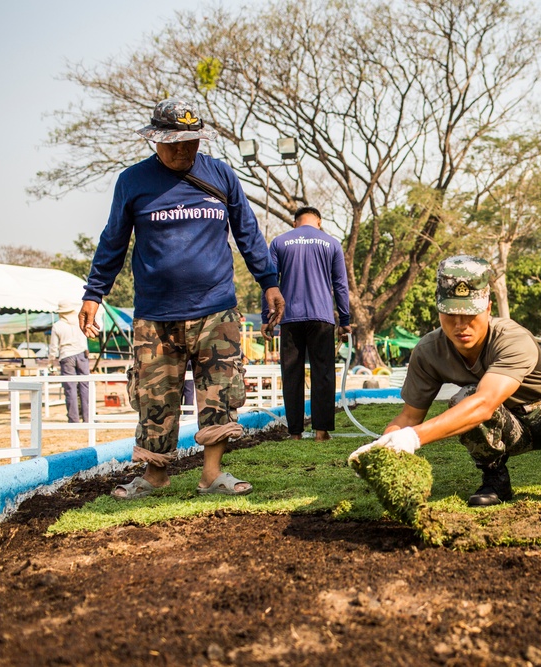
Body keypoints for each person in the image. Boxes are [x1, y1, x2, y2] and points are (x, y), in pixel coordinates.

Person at [80, 98, 285, 500]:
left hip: (217, 309)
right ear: (155, 140)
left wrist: (269, 281)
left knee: (220, 392)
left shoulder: (220, 175)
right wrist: (94, 291)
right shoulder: (133, 181)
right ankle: (155, 478)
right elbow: (113, 241)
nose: (182, 150)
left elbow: (247, 232)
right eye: (173, 142)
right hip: (155, 314)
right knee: (155, 399)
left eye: (190, 141)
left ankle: (212, 474)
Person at [349, 255, 541, 506]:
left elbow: (484, 404)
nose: (460, 325)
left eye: (470, 313)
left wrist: (413, 438)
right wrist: (384, 447)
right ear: (439, 311)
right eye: (450, 314)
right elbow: (409, 415)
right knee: (464, 397)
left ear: (487, 309)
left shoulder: (512, 337)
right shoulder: (427, 351)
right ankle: (495, 478)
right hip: (505, 427)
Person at [262, 206, 350, 441]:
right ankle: (321, 431)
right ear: (319, 222)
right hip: (322, 318)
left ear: (295, 223)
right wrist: (345, 320)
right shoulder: (331, 243)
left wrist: (266, 319)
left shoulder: (279, 242)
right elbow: (340, 284)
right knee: (323, 374)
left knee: (292, 375)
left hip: (289, 318)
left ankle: (295, 432)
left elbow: (270, 282)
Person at [48, 299, 90, 423]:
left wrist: (51, 360)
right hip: (82, 354)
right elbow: (85, 337)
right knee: (85, 386)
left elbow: (53, 346)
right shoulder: (79, 321)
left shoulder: (58, 325)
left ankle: (74, 418)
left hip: (67, 356)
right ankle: (88, 418)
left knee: (70, 388)